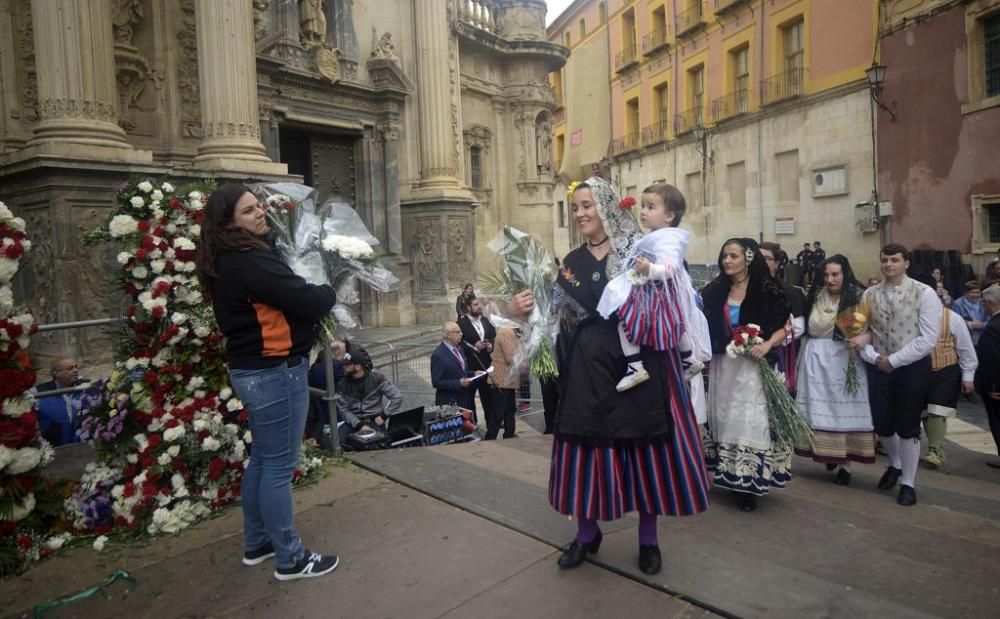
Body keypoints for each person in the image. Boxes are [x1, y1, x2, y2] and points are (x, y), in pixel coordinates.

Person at [515, 177, 709, 576]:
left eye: (588, 205)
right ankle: (587, 534)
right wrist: (525, 308)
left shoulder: (638, 248)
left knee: (646, 449)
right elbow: (556, 319)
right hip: (587, 370)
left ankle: (649, 539)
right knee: (587, 452)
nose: (582, 213)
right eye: (576, 207)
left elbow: (672, 289)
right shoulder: (571, 263)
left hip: (641, 364)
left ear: (606, 206)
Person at [196, 183, 340, 580]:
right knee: (278, 466)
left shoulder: (230, 258)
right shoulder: (250, 261)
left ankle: (257, 542)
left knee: (262, 459)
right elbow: (308, 300)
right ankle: (291, 559)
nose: (260, 212)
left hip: (253, 371)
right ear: (227, 223)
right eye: (248, 211)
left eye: (259, 206)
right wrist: (330, 288)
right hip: (274, 370)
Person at [702, 238, 791, 512]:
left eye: (733, 256)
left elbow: (784, 326)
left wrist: (766, 344)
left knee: (750, 421)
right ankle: (728, 474)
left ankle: (749, 484)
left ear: (748, 259)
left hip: (755, 365)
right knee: (725, 419)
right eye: (724, 255)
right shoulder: (715, 290)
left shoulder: (767, 288)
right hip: (724, 364)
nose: (727, 261)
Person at [853, 243, 942, 507]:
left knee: (908, 424)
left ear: (906, 263)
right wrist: (874, 357)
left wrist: (894, 360)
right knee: (882, 422)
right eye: (884, 260)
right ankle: (895, 463)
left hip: (912, 367)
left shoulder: (924, 293)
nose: (888, 265)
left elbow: (928, 339)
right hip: (879, 365)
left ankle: (908, 482)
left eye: (894, 260)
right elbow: (858, 331)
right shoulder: (869, 293)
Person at [596, 183, 706, 392]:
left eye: (651, 207)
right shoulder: (659, 236)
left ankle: (636, 366)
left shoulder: (669, 239)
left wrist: (650, 269)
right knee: (675, 322)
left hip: (656, 295)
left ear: (669, 216)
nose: (643, 211)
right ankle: (689, 359)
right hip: (657, 294)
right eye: (643, 206)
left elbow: (670, 267)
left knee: (625, 321)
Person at [795, 255, 875, 484]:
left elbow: (866, 329)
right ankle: (826, 451)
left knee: (841, 410)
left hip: (844, 357)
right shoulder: (815, 295)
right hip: (815, 357)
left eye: (835, 274)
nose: (830, 279)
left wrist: (864, 337)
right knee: (818, 408)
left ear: (845, 274)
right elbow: (804, 323)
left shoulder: (858, 297)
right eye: (826, 275)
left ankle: (845, 466)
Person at [920, 307, 977, 468]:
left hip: (946, 370)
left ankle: (935, 450)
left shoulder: (953, 318)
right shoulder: (911, 314)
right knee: (924, 411)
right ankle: (935, 446)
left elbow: (965, 348)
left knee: (938, 410)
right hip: (919, 371)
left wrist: (968, 377)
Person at [760, 242, 806, 393]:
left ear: (777, 263)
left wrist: (772, 341)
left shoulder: (790, 292)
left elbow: (798, 325)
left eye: (766, 258)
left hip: (779, 356)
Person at [335, 347, 404, 445]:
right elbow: (343, 410)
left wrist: (384, 415)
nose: (344, 367)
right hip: (353, 422)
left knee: (377, 444)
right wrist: (359, 425)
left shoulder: (377, 379)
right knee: (339, 441)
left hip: (374, 422)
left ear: (358, 367)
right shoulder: (342, 385)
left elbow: (397, 397)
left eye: (347, 365)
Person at [458, 297, 496, 423]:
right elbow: (460, 342)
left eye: (479, 304)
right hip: (470, 366)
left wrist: (490, 345)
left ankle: (491, 424)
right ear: (468, 307)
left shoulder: (485, 320)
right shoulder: (462, 323)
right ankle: (472, 424)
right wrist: (474, 347)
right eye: (475, 305)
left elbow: (492, 335)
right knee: (469, 399)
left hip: (485, 365)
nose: (478, 307)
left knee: (488, 397)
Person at [34, 357, 87, 446]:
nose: (76, 370)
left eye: (76, 367)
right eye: (70, 368)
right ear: (56, 373)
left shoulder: (88, 386)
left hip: (84, 445)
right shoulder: (39, 392)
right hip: (55, 447)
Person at [975, 285, 1000, 469]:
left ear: (990, 303)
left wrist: (993, 386)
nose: (982, 306)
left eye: (983, 302)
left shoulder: (993, 327)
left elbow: (992, 360)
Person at [431, 322, 481, 410]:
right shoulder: (438, 355)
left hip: (465, 399)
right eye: (457, 332)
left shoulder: (460, 349)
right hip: (449, 403)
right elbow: (436, 382)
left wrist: (474, 374)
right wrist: (458, 383)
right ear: (448, 335)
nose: (461, 334)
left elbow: (462, 372)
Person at [488, 326, 521, 440]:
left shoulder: (513, 332)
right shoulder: (506, 333)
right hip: (502, 379)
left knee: (510, 409)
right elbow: (510, 357)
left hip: (508, 379)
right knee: (499, 411)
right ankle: (490, 437)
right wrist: (526, 360)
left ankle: (509, 434)